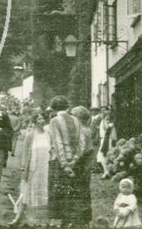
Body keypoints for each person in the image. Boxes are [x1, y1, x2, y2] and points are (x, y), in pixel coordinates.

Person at [47, 95, 86, 225]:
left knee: (61, 193)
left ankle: (63, 223)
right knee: (74, 191)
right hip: (76, 162)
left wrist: (65, 164)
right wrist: (75, 160)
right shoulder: (76, 119)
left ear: (53, 108)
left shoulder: (54, 121)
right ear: (67, 107)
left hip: (60, 162)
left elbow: (58, 144)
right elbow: (82, 143)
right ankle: (71, 222)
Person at [11, 109, 51, 225]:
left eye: (43, 118)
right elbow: (25, 153)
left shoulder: (48, 134)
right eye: (38, 118)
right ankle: (18, 216)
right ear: (34, 121)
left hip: (46, 168)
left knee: (45, 192)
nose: (41, 120)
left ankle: (43, 220)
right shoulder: (30, 135)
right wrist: (24, 167)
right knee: (26, 191)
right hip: (33, 167)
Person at [71, 105, 94, 225]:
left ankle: (80, 219)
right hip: (85, 163)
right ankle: (83, 219)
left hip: (81, 163)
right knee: (83, 190)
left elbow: (80, 150)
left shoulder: (82, 131)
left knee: (79, 190)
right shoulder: (86, 129)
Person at [97, 107, 116, 179]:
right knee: (101, 156)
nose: (103, 112)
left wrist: (106, 122)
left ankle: (107, 172)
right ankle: (107, 172)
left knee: (104, 155)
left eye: (105, 110)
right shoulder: (104, 119)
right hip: (104, 139)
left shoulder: (107, 119)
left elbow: (107, 128)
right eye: (101, 111)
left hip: (107, 139)